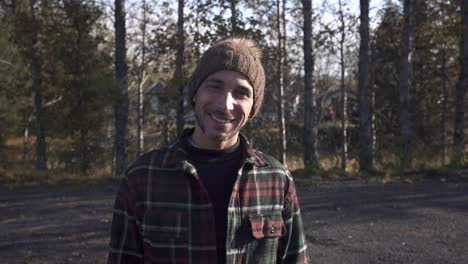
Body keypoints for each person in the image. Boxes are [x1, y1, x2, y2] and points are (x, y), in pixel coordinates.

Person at [108, 38, 310, 264]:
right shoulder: (142, 177)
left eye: (241, 93)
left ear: (253, 107)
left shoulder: (277, 179)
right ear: (195, 94)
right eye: (215, 87)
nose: (225, 104)